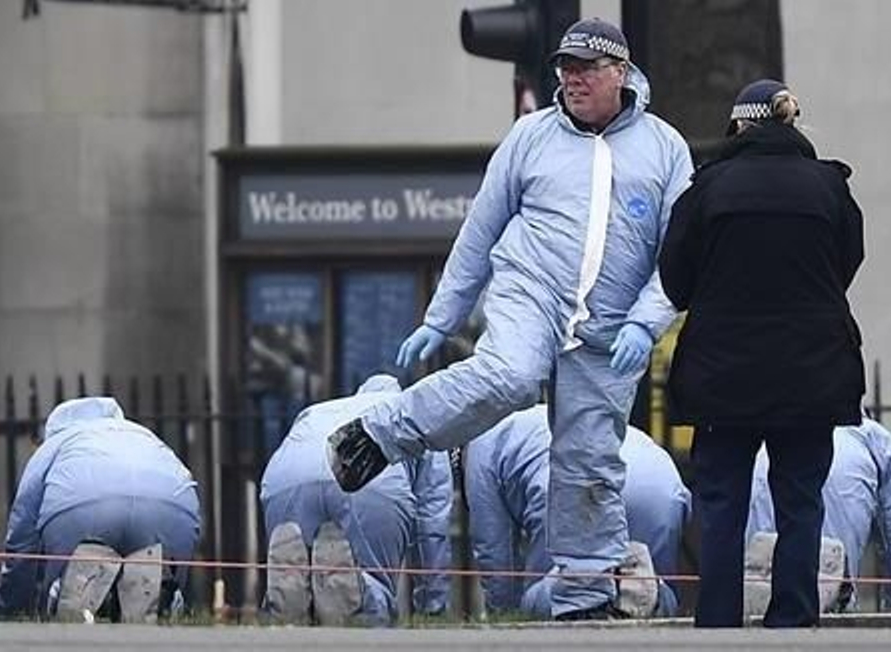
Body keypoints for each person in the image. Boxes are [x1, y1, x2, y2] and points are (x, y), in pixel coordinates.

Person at [323, 17, 693, 621]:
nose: (571, 79)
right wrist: (443, 317)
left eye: (585, 69)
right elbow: (482, 227)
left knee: (590, 456)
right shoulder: (530, 137)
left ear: (620, 74)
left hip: (610, 322)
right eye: (564, 68)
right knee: (509, 376)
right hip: (531, 293)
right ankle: (379, 433)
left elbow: (680, 253)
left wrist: (645, 322)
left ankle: (584, 596)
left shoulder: (665, 149)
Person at [659, 78, 867, 628]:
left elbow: (676, 279)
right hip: (812, 370)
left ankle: (720, 620)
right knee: (801, 499)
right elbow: (846, 266)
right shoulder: (830, 188)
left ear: (740, 126)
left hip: (723, 374)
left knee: (722, 501)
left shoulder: (708, 189)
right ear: (790, 124)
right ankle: (794, 618)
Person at [259, 375, 453, 626]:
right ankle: (361, 591)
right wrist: (432, 607)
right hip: (368, 476)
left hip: (286, 478)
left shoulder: (316, 410)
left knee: (295, 571)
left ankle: (288, 593)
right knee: (370, 591)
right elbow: (431, 523)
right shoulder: (415, 414)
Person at [466, 406, 690, 619]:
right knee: (649, 596)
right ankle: (650, 595)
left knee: (556, 601)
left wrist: (507, 617)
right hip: (658, 482)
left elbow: (496, 555)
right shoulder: (538, 417)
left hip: (572, 489)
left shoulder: (479, 445)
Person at [0, 397, 200, 623]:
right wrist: (178, 578)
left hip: (80, 508)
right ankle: (163, 598)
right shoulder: (142, 435)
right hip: (172, 507)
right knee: (158, 595)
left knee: (63, 601)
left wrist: (11, 611)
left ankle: (69, 599)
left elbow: (21, 543)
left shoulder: (54, 445)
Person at [745, 416, 891, 612]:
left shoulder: (759, 438)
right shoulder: (876, 440)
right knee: (835, 601)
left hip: (768, 456)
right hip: (837, 594)